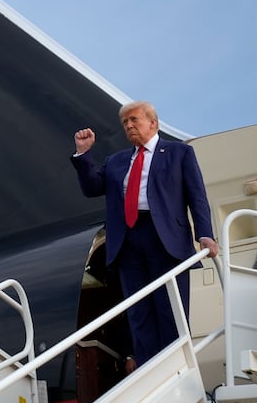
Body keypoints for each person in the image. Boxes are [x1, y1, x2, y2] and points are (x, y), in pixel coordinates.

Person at [70, 100, 219, 370]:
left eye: (134, 120)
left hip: (165, 237)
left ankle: (175, 367)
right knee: (138, 310)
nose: (128, 126)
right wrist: (83, 156)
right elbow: (92, 187)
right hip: (128, 240)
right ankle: (150, 370)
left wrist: (205, 234)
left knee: (169, 307)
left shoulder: (179, 153)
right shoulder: (117, 161)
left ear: (153, 122)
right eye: (125, 122)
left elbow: (197, 196)